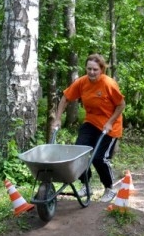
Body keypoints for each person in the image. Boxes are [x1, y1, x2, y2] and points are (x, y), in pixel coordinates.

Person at [52, 53, 126, 202]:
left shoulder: (108, 84)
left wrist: (110, 122)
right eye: (89, 69)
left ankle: (109, 188)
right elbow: (65, 98)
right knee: (79, 154)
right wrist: (58, 118)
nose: (92, 72)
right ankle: (86, 185)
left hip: (110, 125)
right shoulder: (82, 82)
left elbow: (121, 105)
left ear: (101, 70)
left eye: (95, 70)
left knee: (99, 158)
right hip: (91, 122)